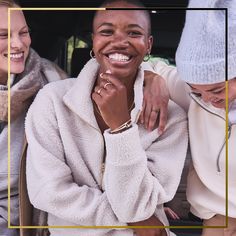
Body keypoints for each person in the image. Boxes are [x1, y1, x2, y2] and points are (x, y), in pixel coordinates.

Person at [25, 0, 188, 235]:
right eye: (107, 32)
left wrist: (121, 129)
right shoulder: (52, 101)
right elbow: (47, 191)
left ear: (148, 44)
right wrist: (134, 221)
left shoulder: (171, 117)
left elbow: (139, 206)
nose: (120, 41)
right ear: (94, 41)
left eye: (134, 32)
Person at [146, 0, 236, 235]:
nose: (206, 99)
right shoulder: (193, 94)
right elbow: (133, 64)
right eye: (197, 91)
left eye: (217, 90)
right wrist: (151, 79)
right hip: (218, 222)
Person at [0, 1, 68, 235]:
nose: (18, 44)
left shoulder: (55, 83)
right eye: (2, 35)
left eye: (24, 32)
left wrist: (152, 79)